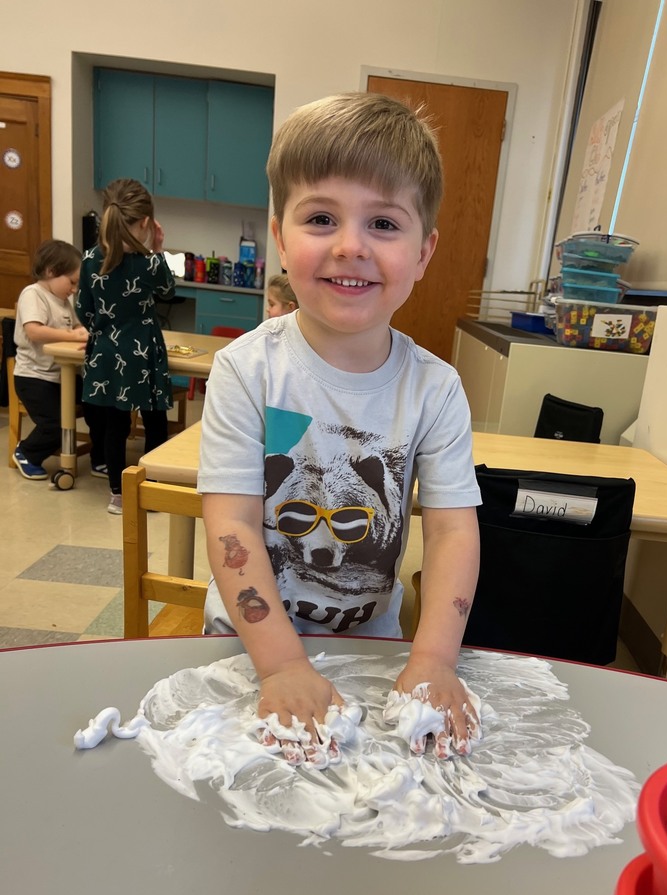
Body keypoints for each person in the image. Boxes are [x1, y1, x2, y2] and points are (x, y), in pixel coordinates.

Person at [198, 92, 481, 766]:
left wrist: (436, 658)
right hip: (246, 646)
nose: (350, 246)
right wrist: (279, 668)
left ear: (423, 251)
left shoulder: (434, 390)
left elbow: (451, 530)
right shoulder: (247, 372)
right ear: (280, 236)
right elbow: (232, 525)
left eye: (384, 223)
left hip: (370, 647)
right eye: (321, 217)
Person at [76, 178, 176, 515]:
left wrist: (102, 333)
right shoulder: (148, 263)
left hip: (106, 354)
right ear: (146, 223)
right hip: (142, 354)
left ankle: (117, 496)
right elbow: (167, 290)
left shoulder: (91, 258)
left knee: (115, 427)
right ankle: (152, 491)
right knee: (155, 423)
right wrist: (159, 247)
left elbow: (82, 309)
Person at [13, 239, 107, 482]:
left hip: (61, 376)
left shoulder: (63, 301)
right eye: (72, 282)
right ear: (51, 271)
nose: (74, 289)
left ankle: (101, 457)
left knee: (99, 404)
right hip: (34, 378)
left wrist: (85, 332)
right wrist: (70, 335)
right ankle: (26, 453)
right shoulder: (33, 294)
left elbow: (76, 325)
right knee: (56, 424)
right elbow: (34, 331)